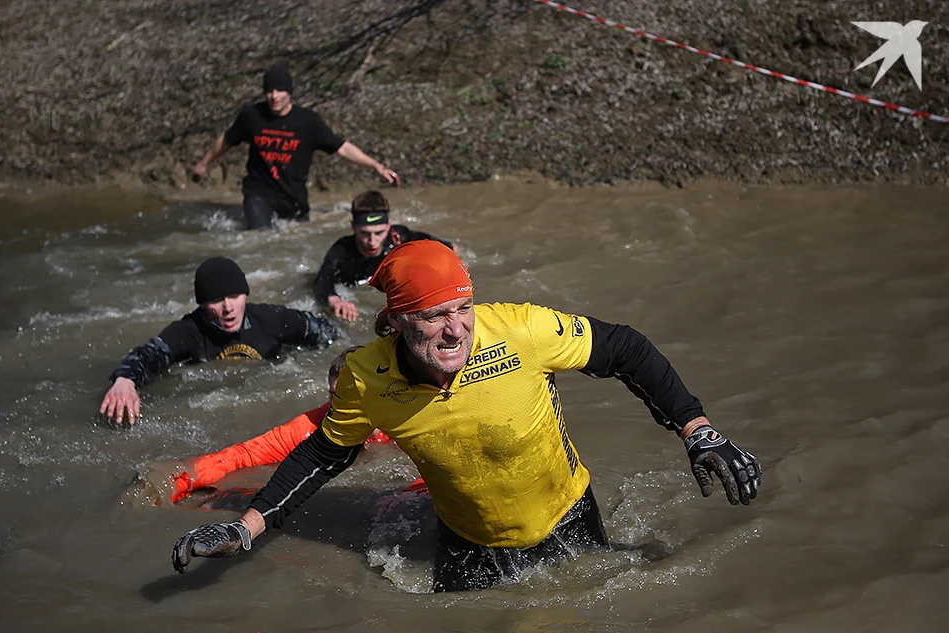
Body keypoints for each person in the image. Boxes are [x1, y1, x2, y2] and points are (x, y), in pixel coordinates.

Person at [172, 241, 761, 592]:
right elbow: (323, 454)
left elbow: (625, 348)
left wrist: (697, 431)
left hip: (565, 518)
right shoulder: (366, 377)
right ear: (399, 321)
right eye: (434, 316)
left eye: (463, 308)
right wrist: (246, 528)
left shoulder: (522, 330)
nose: (456, 329)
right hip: (466, 543)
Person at [169, 346, 426, 504]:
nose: (340, 405)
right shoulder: (312, 426)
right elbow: (241, 455)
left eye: (351, 395)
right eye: (334, 395)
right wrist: (177, 483)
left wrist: (409, 494)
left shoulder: (403, 418)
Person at [100, 257, 340, 425]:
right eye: (216, 301)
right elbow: (150, 353)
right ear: (202, 305)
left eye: (234, 297)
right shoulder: (189, 330)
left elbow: (329, 332)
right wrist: (125, 380)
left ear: (245, 294)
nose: (228, 308)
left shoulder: (271, 319)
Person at [191, 62, 401, 229]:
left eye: (280, 90)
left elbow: (342, 147)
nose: (274, 96)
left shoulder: (307, 121)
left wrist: (376, 166)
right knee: (261, 238)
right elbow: (228, 140)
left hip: (293, 195)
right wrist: (204, 163)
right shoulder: (252, 115)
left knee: (296, 238)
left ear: (289, 92)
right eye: (269, 91)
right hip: (259, 192)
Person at [312, 190, 455, 322]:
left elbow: (447, 248)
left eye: (379, 233)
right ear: (353, 227)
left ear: (388, 225)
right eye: (365, 233)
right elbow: (323, 278)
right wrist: (335, 300)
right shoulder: (342, 250)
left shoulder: (399, 238)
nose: (372, 242)